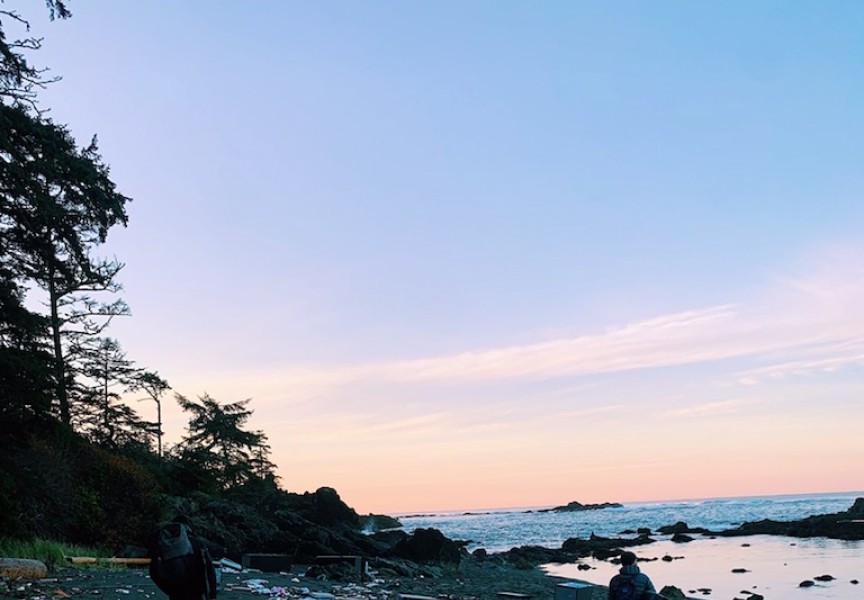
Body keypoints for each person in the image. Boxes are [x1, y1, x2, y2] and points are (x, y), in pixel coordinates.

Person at [148, 516, 218, 600]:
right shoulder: (197, 544)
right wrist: (211, 595)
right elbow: (208, 571)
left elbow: (154, 572)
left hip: (175, 593)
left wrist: (169, 589)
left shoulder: (165, 545)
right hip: (195, 592)